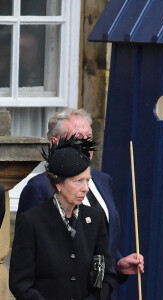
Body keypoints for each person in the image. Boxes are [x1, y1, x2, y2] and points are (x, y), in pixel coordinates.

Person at [17, 108, 144, 291]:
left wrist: (117, 264)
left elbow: (101, 241)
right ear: (55, 142)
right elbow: (29, 260)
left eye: (89, 138)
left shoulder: (103, 180)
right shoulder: (39, 188)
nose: (87, 146)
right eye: (78, 138)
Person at [10, 136, 116, 299]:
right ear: (58, 184)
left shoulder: (94, 219)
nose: (86, 188)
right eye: (78, 181)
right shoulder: (32, 221)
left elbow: (107, 276)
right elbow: (20, 284)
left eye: (88, 181)